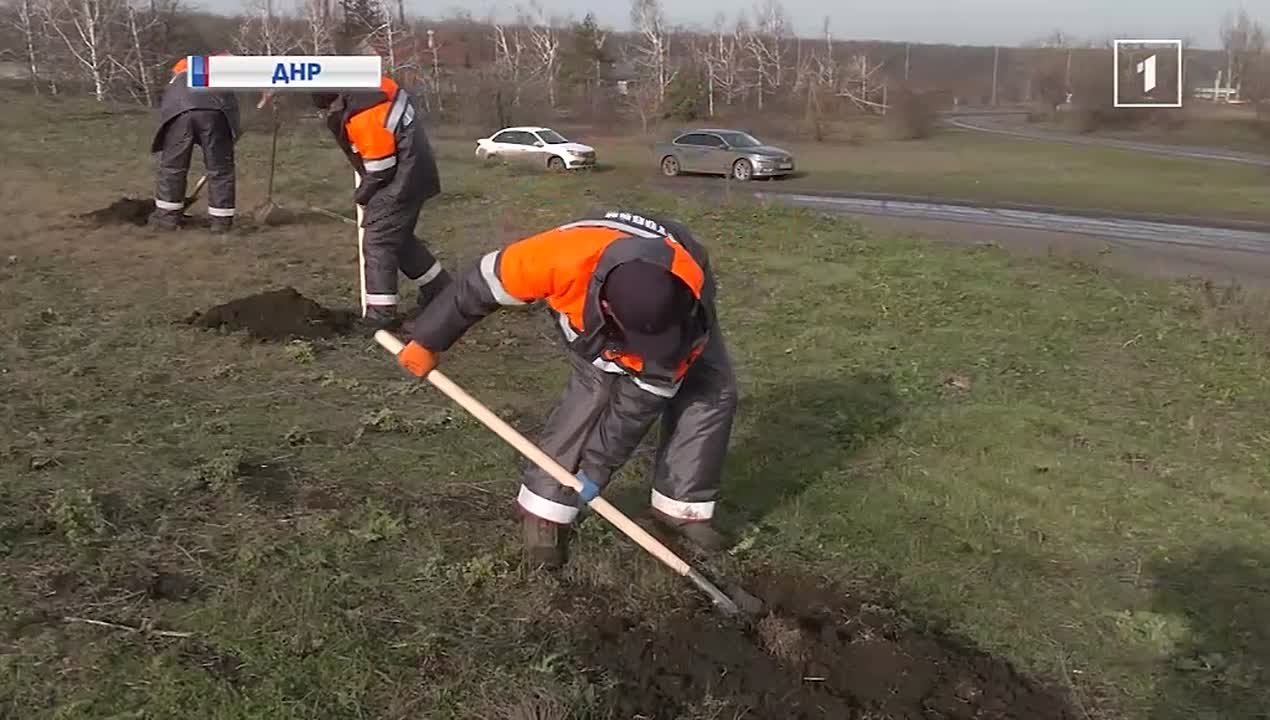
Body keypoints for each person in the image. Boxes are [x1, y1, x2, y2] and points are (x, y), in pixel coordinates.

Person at [394, 209, 739, 569]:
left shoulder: (688, 305)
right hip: (586, 285)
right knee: (596, 386)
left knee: (709, 385)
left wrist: (597, 469)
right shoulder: (554, 259)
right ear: (607, 309)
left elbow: (640, 404)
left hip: (675, 260)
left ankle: (681, 506)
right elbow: (476, 285)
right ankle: (546, 510)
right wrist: (428, 339)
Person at [310, 75, 449, 331]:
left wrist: (362, 195)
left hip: (403, 177)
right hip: (413, 168)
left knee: (379, 240)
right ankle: (440, 289)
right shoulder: (369, 88)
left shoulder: (364, 113)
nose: (328, 114)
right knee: (399, 238)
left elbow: (380, 167)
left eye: (328, 109)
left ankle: (381, 315)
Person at [149, 53, 241, 233]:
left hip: (178, 112)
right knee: (220, 170)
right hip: (214, 112)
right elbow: (232, 107)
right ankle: (221, 224)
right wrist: (231, 135)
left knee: (173, 168)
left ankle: (166, 219)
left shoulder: (179, 72)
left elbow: (166, 103)